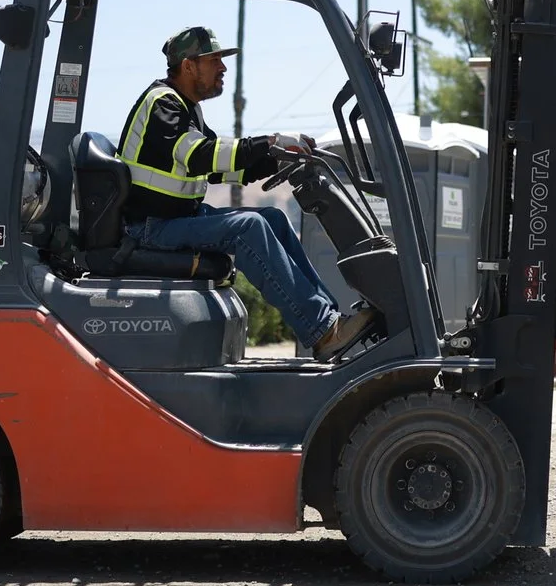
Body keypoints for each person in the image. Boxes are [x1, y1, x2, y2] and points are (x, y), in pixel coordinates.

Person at [118, 25, 377, 360]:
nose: (223, 68)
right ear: (188, 66)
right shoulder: (163, 105)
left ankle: (328, 321)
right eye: (214, 60)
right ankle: (320, 330)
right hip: (150, 227)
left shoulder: (186, 107)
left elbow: (219, 168)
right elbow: (200, 155)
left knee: (272, 218)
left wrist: (275, 159)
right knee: (248, 228)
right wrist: (267, 142)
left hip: (178, 218)